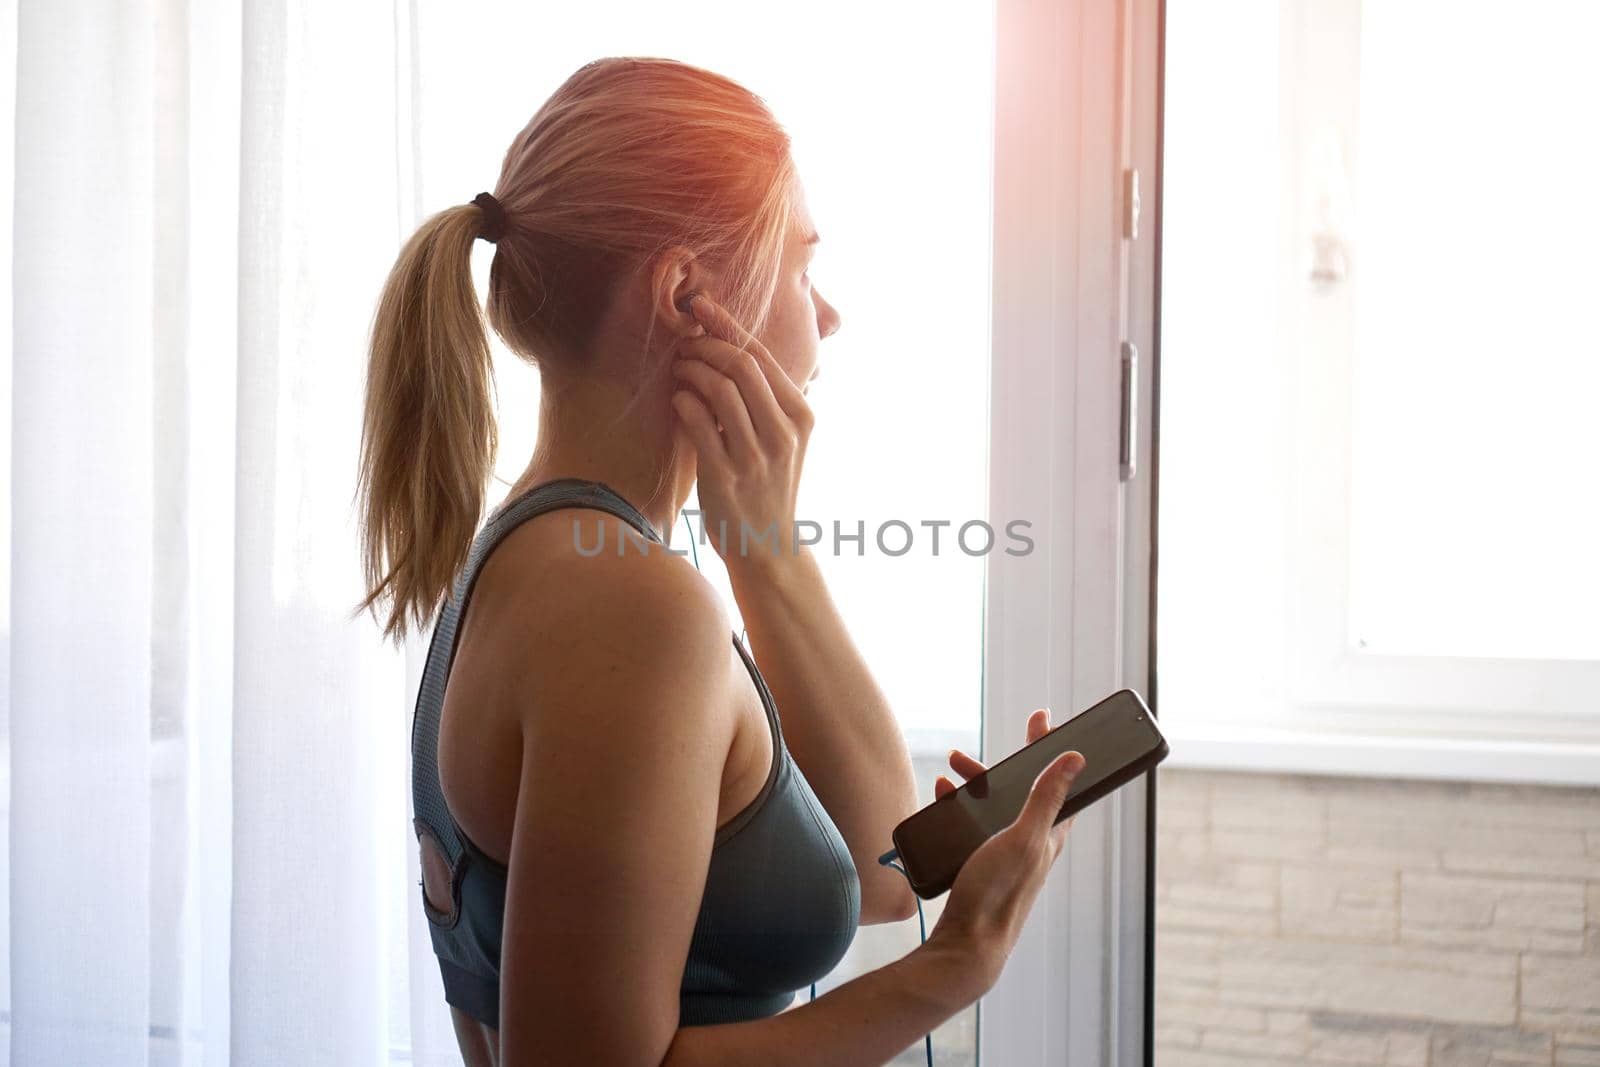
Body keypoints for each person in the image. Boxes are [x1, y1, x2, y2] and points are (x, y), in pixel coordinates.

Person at [353, 56, 1086, 1067]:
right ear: (690, 294)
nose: (825, 313)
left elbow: (880, 868)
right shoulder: (627, 608)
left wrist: (764, 546)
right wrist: (952, 966)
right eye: (798, 264)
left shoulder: (539, 553)